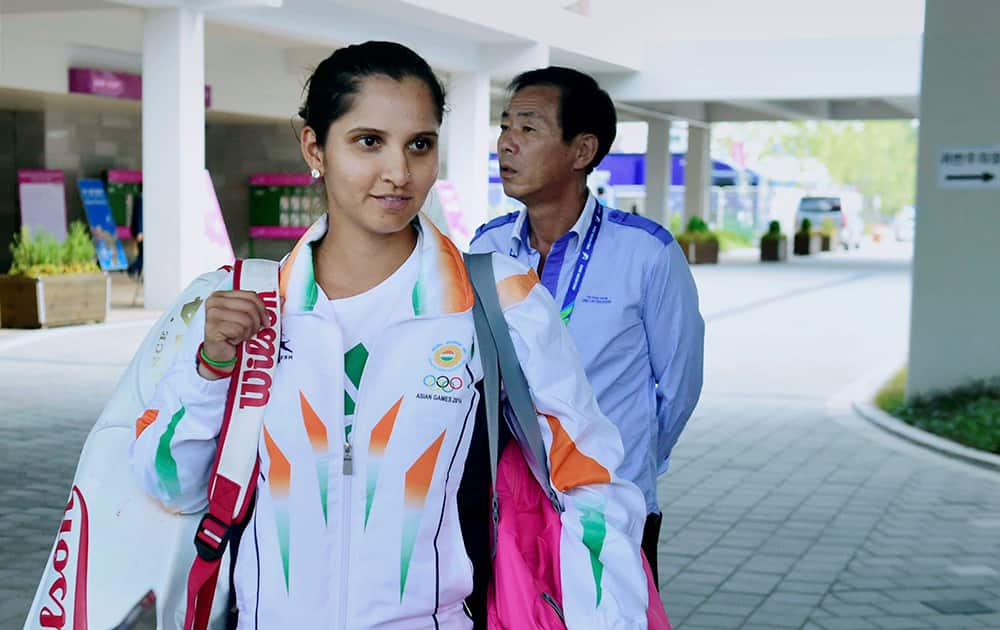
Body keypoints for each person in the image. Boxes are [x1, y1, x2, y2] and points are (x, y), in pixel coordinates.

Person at [130, 42, 650, 629]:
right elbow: (169, 483)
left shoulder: (496, 297)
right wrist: (209, 368)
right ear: (314, 147)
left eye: (419, 145)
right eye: (368, 141)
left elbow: (591, 485)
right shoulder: (248, 301)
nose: (399, 173)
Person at [470, 66, 705, 588]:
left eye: (527, 129)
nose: (506, 143)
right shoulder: (486, 249)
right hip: (511, 505)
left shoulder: (646, 252)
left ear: (582, 151)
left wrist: (629, 460)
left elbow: (680, 385)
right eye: (505, 127)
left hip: (612, 504)